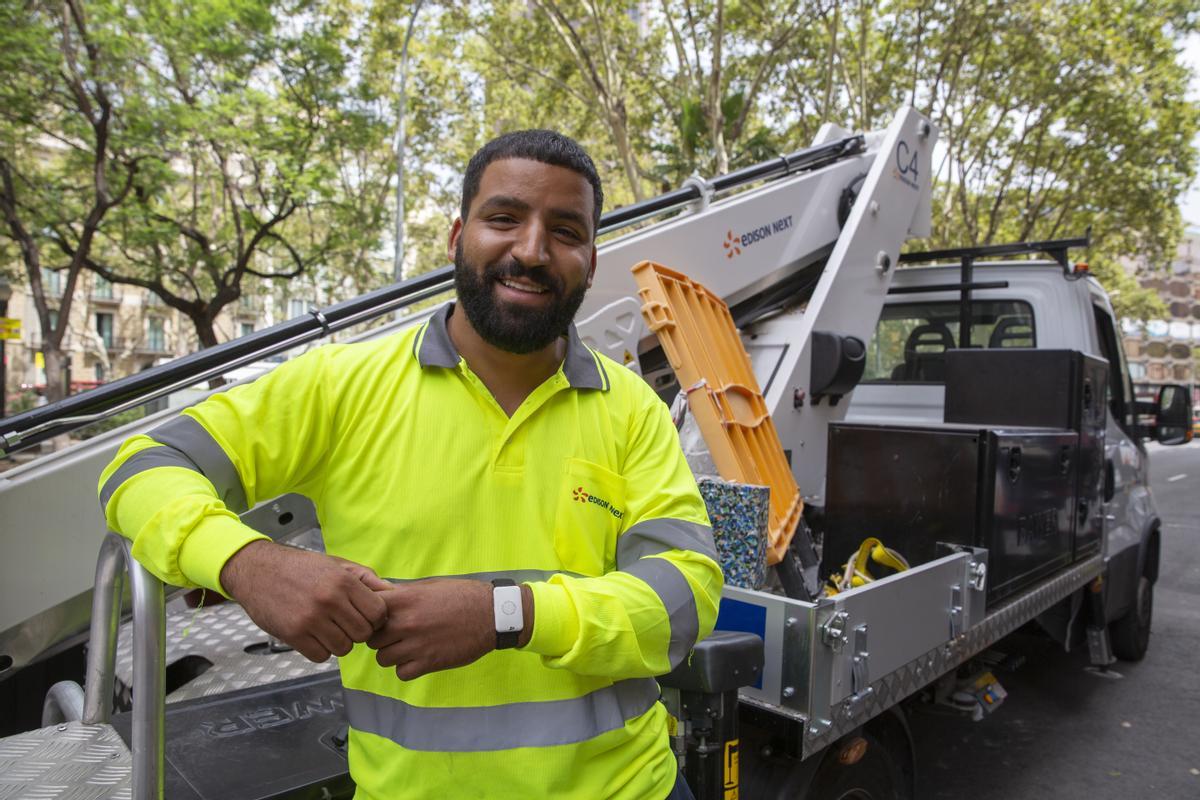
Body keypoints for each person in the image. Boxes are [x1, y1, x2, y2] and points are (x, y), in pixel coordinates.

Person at [98, 130, 722, 799]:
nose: (532, 250)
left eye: (565, 231)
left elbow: (684, 598)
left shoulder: (631, 408)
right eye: (504, 218)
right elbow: (142, 464)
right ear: (458, 235)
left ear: (591, 260)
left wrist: (507, 614)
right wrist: (245, 563)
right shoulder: (343, 384)